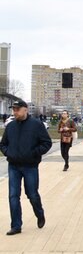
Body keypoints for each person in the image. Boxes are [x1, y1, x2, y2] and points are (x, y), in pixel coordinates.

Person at [0, 99, 52, 235]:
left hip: (30, 166)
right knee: (13, 195)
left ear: (25, 109)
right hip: (14, 166)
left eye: (17, 109)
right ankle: (16, 225)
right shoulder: (10, 126)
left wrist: (34, 153)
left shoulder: (36, 125)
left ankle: (39, 214)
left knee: (32, 194)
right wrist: (8, 153)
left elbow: (47, 143)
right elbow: (3, 144)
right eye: (14, 110)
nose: (15, 112)